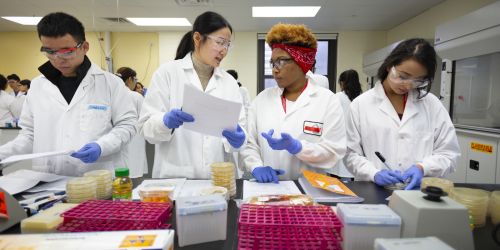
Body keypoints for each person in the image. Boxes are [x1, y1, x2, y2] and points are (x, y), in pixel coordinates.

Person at [0, 12, 137, 176]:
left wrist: (102, 146)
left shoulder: (110, 84)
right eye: (50, 52)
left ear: (84, 47)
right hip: (48, 182)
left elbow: (127, 125)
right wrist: (3, 155)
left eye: (67, 51)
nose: (58, 59)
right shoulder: (38, 86)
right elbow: (29, 135)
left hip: (96, 179)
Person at [138, 11, 246, 179]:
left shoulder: (229, 82)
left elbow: (240, 129)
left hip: (218, 181)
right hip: (175, 178)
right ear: (197, 38)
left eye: (228, 45)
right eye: (219, 42)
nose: (224, 51)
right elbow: (147, 130)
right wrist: (165, 121)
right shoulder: (167, 73)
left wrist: (238, 140)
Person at [345, 38, 460, 190]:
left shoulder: (432, 105)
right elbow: (350, 154)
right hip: (373, 190)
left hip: (418, 193)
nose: (408, 85)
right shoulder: (360, 105)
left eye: (418, 80)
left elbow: (449, 154)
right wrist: (373, 173)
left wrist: (423, 168)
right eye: (403, 76)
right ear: (389, 66)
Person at [240, 23, 346, 182]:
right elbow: (250, 144)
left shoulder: (327, 101)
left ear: (301, 62)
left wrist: (298, 147)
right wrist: (256, 166)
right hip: (269, 189)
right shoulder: (261, 100)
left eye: (281, 61)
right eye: (273, 63)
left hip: (311, 191)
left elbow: (334, 152)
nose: (274, 69)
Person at [116, 66, 148, 178]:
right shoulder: (136, 97)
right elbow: (145, 117)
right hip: (134, 138)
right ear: (130, 79)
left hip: (116, 140)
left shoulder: (113, 95)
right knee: (133, 173)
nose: (136, 83)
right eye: (136, 80)